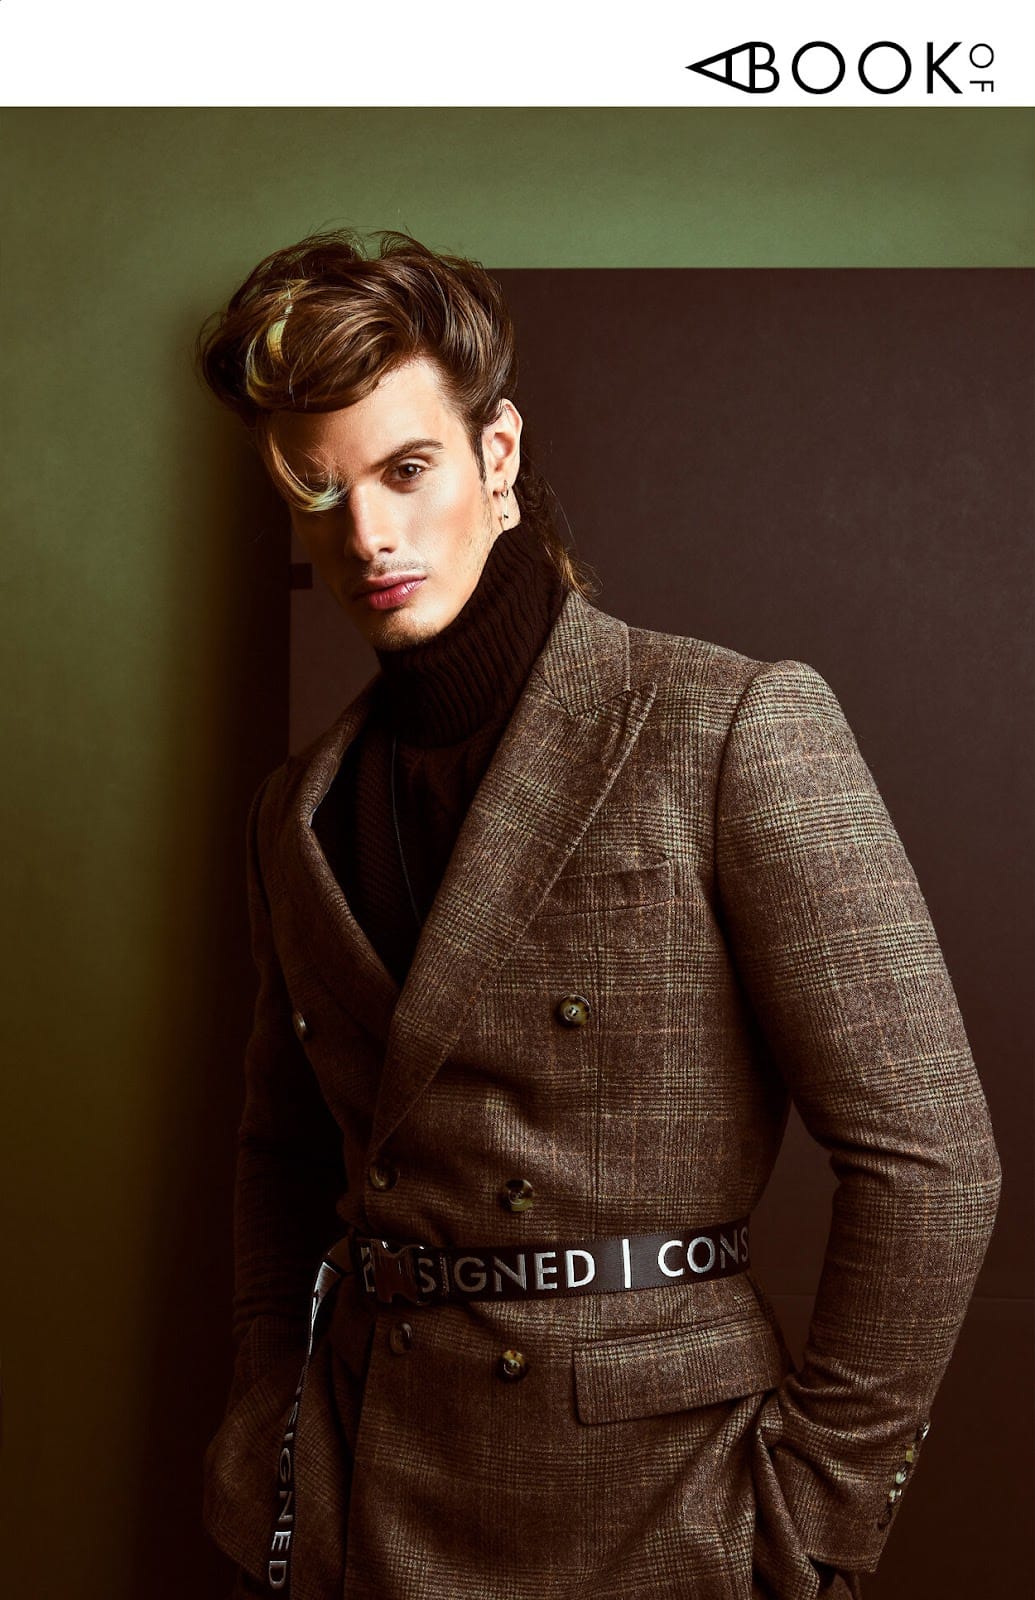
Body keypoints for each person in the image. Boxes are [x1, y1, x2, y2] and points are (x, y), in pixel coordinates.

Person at [197, 230, 1001, 1600]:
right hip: (363, 1493)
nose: (367, 534)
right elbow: (282, 1155)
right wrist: (272, 1423)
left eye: (407, 470)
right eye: (319, 489)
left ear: (497, 456)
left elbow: (935, 1163)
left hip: (661, 1507)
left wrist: (814, 1518)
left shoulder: (726, 726)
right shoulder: (298, 808)